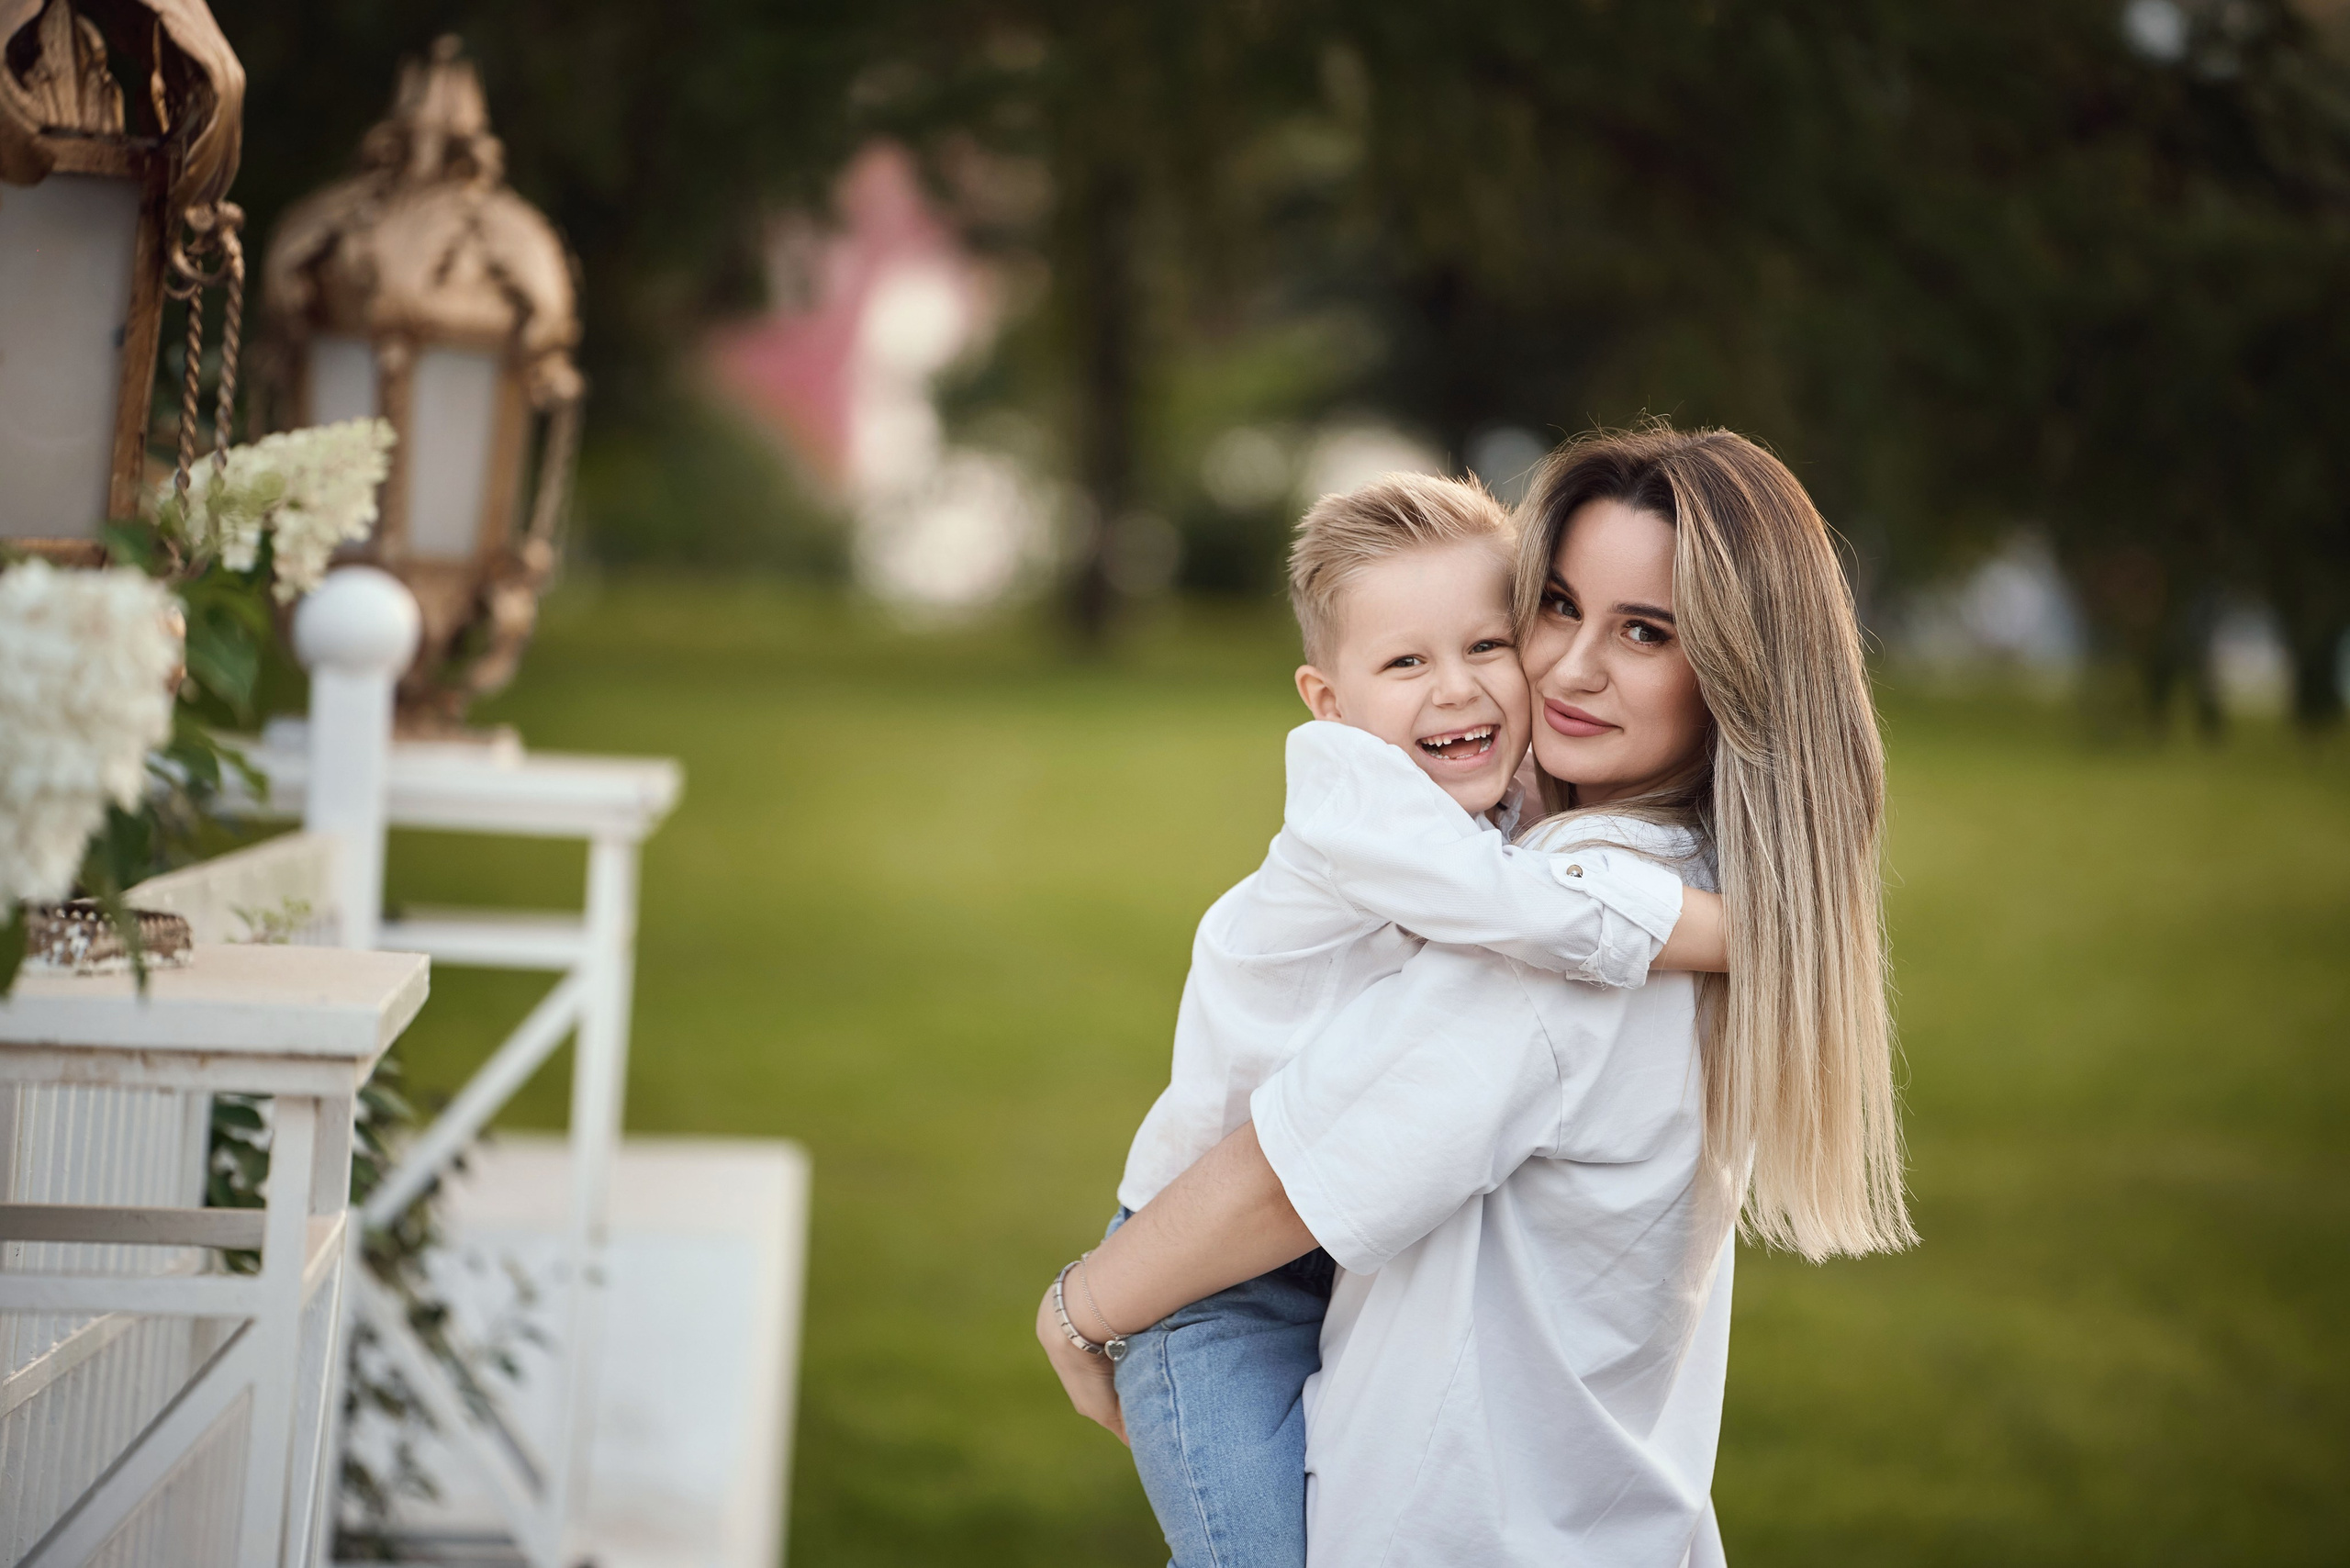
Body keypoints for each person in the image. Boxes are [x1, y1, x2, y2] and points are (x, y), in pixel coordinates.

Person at [1040, 426, 1914, 1566]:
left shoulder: (1565, 930)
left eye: (1643, 632)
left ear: (1739, 676)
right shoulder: (1689, 874)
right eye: (1555, 607)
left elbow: (1289, 1178)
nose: (1563, 668)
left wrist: (1080, 1309)